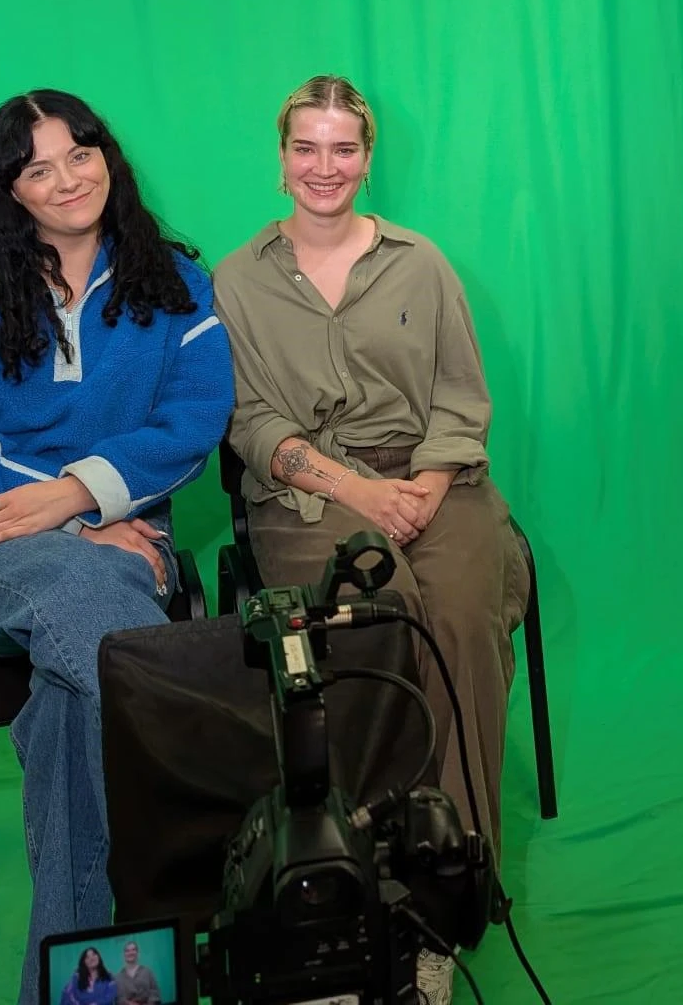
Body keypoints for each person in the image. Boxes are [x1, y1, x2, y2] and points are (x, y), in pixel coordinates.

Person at [0, 90, 233, 1005]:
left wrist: (79, 493)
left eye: (81, 153)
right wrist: (68, 515)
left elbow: (195, 418)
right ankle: (216, 840)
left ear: (110, 156)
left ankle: (73, 991)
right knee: (90, 588)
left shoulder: (176, 282)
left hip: (117, 545)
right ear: (10, 190)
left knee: (74, 704)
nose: (68, 178)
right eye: (38, 167)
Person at [212, 75, 530, 1005]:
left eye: (342, 148)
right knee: (384, 618)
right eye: (305, 148)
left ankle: (450, 890)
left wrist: (424, 487)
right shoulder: (236, 281)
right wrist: (360, 493)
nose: (324, 166)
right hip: (310, 495)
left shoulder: (421, 263)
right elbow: (251, 426)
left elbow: (462, 398)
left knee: (464, 622)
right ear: (280, 162)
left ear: (367, 157)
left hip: (437, 482)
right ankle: (354, 880)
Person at [112, 938, 162, 1005]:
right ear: (123, 955)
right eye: (127, 951)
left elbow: (155, 992)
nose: (130, 953)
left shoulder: (147, 972)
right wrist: (129, 1003)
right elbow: (118, 999)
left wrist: (149, 1003)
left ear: (138, 953)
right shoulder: (118, 977)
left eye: (133, 950)